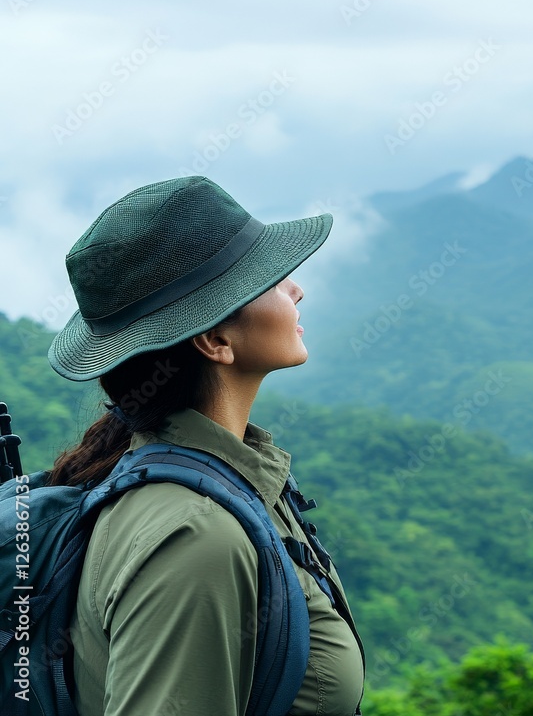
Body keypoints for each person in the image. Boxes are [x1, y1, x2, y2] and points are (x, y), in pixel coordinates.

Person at [46, 176, 365, 715]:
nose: (296, 289)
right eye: (267, 278)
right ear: (215, 341)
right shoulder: (194, 536)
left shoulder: (230, 483)